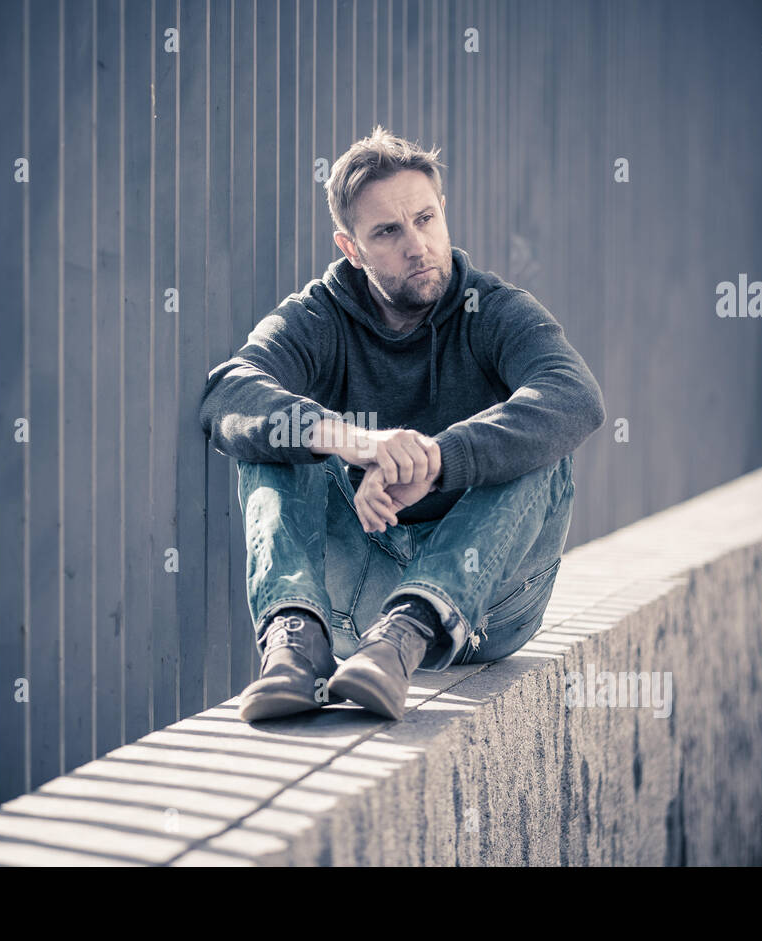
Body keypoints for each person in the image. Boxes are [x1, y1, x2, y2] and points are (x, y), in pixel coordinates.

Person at [198, 126, 607, 722]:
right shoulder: (321, 317)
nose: (417, 245)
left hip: (488, 607)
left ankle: (408, 632)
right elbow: (227, 391)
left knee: (543, 439)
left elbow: (576, 395)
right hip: (356, 596)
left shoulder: (491, 309)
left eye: (425, 219)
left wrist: (437, 460)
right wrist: (355, 442)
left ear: (443, 215)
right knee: (277, 435)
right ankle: (295, 647)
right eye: (388, 231)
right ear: (351, 247)